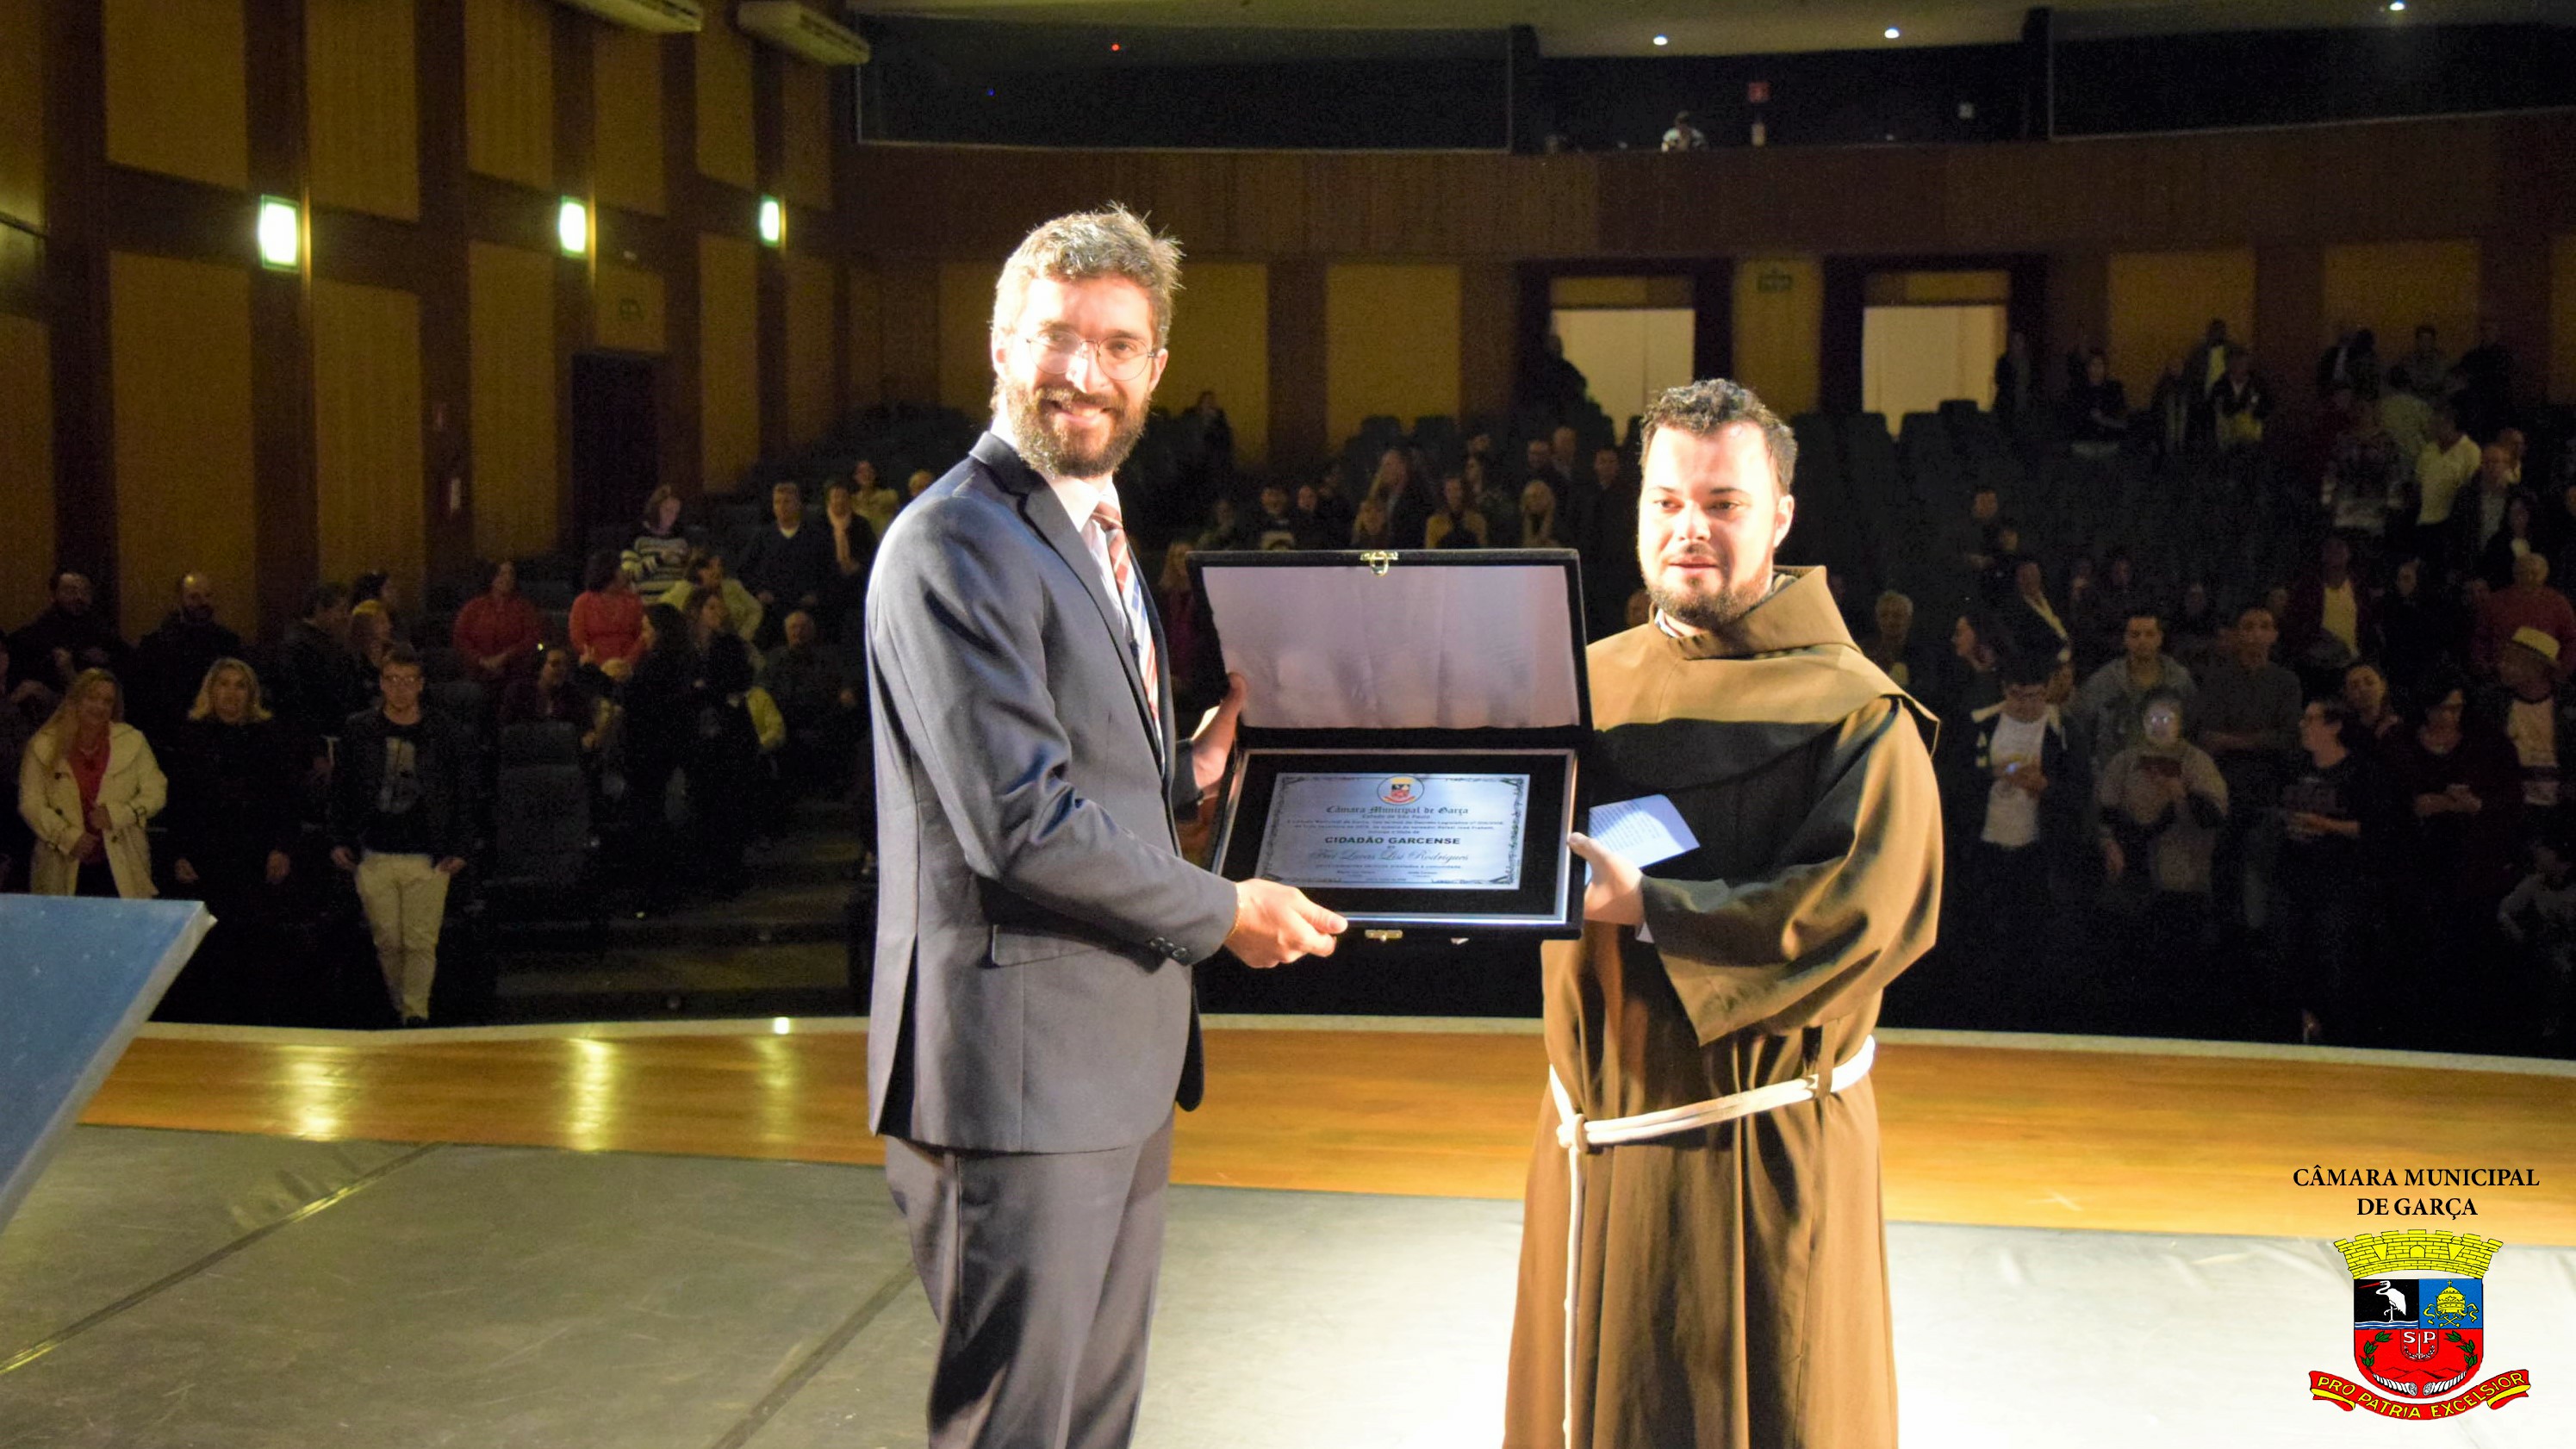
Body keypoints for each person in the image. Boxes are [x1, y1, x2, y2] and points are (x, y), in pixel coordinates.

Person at [862, 206, 1345, 1449]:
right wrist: (1223, 910)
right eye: (1056, 337)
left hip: (1111, 1063)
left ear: (1155, 369)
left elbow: (1078, 765)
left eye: (1118, 345)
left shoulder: (1093, 530)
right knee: (1020, 1430)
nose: (1084, 371)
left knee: (1090, 1427)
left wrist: (1191, 773)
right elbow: (1020, 821)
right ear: (1000, 347)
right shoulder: (955, 542)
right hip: (1018, 1078)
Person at [1506, 378, 1941, 1449]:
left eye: (1721, 502)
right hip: (1591, 1133)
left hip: (1749, 1147)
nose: (1687, 527)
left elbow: (1861, 912)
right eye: (1665, 501)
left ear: (1780, 514)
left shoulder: (1857, 713)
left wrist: (1650, 907)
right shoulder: (1577, 683)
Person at [329, 645, 471, 1027]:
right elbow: (342, 789)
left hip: (427, 852)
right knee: (388, 940)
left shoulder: (444, 731)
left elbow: (462, 790)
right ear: (381, 683)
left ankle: (415, 1014)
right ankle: (399, 1007)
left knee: (421, 941)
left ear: (421, 684)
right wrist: (339, 838)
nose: (400, 688)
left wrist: (460, 844)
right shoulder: (359, 729)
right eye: (393, 680)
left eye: (408, 681)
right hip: (374, 851)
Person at [160, 659, 302, 1023]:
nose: (231, 693)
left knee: (254, 948)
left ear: (251, 694)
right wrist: (178, 853)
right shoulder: (190, 736)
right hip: (206, 857)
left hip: (256, 856)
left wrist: (282, 847)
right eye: (224, 684)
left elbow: (286, 799)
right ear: (211, 690)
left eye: (240, 685)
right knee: (208, 950)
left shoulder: (269, 737)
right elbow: (179, 803)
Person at [2270, 698, 2398, 1044]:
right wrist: (2287, 822)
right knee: (2286, 958)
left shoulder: (2361, 772)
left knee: (2334, 963)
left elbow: (2376, 827)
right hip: (2292, 876)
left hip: (2338, 881)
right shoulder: (2292, 766)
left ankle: (2337, 1037)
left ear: (2334, 726)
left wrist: (2326, 825)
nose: (2302, 725)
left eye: (2311, 719)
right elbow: (2274, 808)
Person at [18, 669, 164, 899]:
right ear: (76, 700)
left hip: (121, 862)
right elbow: (31, 803)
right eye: (92, 698)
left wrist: (119, 814)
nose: (99, 706)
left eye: (107, 701)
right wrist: (67, 837)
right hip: (63, 861)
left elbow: (156, 792)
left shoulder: (132, 741)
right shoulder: (43, 745)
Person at [2069, 611, 2197, 779]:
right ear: (2125, 639)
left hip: (2167, 774)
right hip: (2115, 777)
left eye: (2149, 634)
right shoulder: (2103, 682)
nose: (2142, 641)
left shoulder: (2178, 680)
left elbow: (2192, 727)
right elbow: (2080, 729)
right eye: (2135, 635)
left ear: (2160, 638)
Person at [128, 571, 244, 737]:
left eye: (208, 596)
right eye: (194, 597)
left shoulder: (228, 643)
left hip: (218, 730)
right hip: (170, 732)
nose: (203, 602)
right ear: (179, 600)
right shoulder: (156, 645)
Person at [736, 480, 836, 650]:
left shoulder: (816, 536)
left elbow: (830, 571)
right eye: (777, 502)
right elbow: (744, 570)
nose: (782, 507)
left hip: (806, 606)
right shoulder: (763, 537)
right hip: (771, 608)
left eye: (787, 502)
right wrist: (758, 591)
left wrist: (817, 595)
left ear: (798, 504)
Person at [273, 581, 358, 747]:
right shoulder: (297, 647)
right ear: (320, 609)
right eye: (340, 610)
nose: (346, 617)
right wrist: (314, 747)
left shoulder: (325, 642)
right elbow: (296, 704)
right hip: (318, 739)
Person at [16, 569, 128, 690]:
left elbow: (125, 660)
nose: (79, 597)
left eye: (85, 592)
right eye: (70, 591)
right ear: (53, 595)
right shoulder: (37, 635)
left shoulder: (101, 629)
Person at [451, 559, 544, 686]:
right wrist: (482, 660)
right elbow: (460, 638)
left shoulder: (525, 608)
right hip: (478, 673)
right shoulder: (473, 607)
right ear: (491, 577)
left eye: (511, 574)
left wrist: (504, 657)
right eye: (502, 574)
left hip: (516, 673)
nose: (507, 578)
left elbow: (532, 638)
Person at [569, 551, 646, 679]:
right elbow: (578, 639)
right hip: (595, 668)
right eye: (620, 568)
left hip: (630, 667)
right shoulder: (583, 602)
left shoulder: (633, 601)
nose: (624, 572)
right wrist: (603, 665)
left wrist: (626, 663)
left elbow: (642, 635)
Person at [629, 485, 694, 589]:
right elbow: (629, 575)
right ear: (655, 508)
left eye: (676, 513)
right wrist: (660, 559)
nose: (672, 517)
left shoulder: (680, 538)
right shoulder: (637, 535)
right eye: (668, 511)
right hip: (648, 596)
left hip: (676, 596)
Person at [1423, 474, 1490, 550]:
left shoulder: (1477, 521)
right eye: (1449, 490)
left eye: (1456, 489)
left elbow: (1482, 550)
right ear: (1444, 494)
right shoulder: (1434, 523)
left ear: (1463, 492)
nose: (1453, 495)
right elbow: (1431, 551)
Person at [850, 459, 904, 541]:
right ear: (855, 476)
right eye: (861, 471)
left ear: (875, 473)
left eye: (869, 470)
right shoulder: (852, 502)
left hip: (887, 541)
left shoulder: (889, 496)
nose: (866, 474)